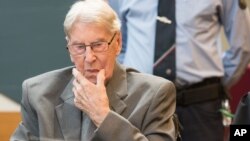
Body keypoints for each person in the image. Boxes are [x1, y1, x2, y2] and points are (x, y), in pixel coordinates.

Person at [10, 0, 178, 141]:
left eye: (98, 45)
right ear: (69, 47)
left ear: (117, 43)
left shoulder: (155, 94)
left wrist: (103, 115)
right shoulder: (38, 94)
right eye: (80, 47)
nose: (89, 57)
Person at [108, 0, 250, 141]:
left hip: (200, 106)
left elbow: (241, 45)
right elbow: (118, 44)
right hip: (140, 103)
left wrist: (213, 87)